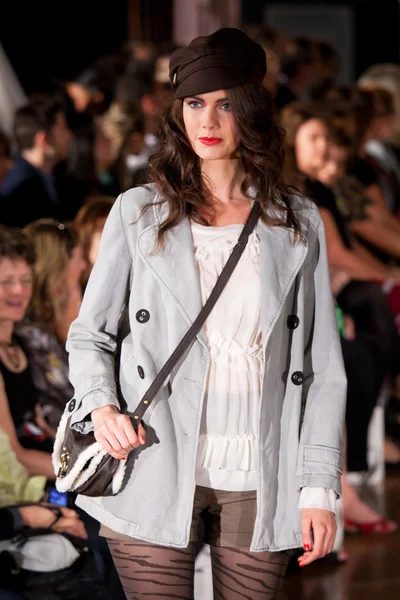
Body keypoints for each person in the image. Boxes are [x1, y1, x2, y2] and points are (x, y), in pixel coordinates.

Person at [64, 29, 346, 599]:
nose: (207, 120)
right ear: (178, 112)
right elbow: (89, 333)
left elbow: (322, 368)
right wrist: (100, 405)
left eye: (224, 103)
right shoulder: (138, 213)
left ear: (251, 111)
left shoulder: (297, 222)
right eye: (194, 103)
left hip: (261, 468)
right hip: (155, 456)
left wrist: (319, 487)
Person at [18, 220, 86, 429]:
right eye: (79, 259)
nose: (84, 266)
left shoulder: (45, 325)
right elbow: (71, 396)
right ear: (58, 269)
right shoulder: (30, 335)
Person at [1, 94, 72, 228]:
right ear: (43, 139)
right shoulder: (20, 191)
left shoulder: (56, 178)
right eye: (63, 128)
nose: (69, 135)